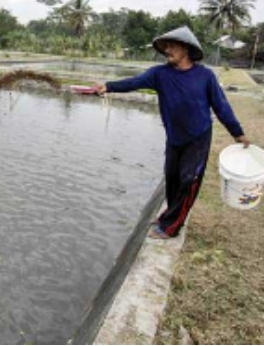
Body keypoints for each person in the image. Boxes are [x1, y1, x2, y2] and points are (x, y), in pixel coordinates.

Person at [96, 26, 250, 239]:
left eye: (172, 46)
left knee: (189, 180)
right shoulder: (159, 74)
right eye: (166, 46)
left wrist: (237, 132)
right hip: (174, 137)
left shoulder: (205, 76)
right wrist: (108, 86)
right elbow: (134, 82)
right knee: (172, 177)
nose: (167, 50)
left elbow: (221, 106)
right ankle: (169, 215)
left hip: (198, 137)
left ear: (185, 49)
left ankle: (171, 227)